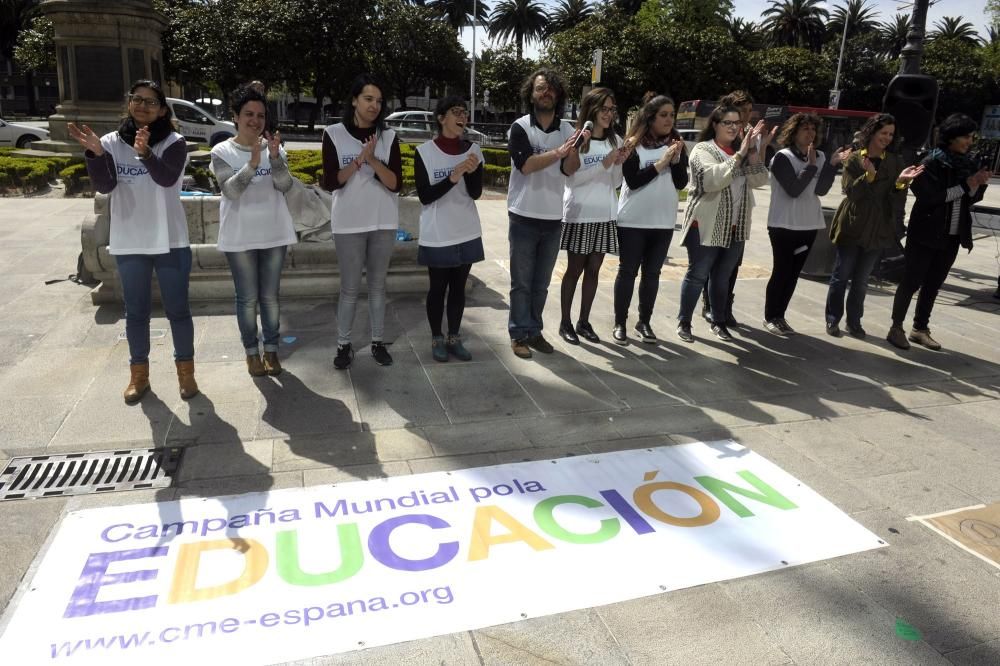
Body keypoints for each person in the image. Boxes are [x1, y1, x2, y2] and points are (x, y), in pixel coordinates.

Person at [68, 80, 198, 404]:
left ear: (163, 109)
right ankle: (138, 376)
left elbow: (167, 178)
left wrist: (147, 154)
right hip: (130, 241)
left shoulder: (175, 142)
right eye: (137, 99)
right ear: (129, 103)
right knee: (136, 312)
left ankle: (186, 374)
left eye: (150, 102)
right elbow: (106, 184)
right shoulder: (111, 142)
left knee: (178, 310)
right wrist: (96, 154)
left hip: (169, 239)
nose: (142, 106)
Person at [210, 86, 297, 376]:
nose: (255, 120)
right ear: (235, 116)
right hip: (240, 236)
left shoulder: (276, 148)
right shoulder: (221, 151)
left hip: (274, 233)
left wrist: (273, 158)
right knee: (247, 298)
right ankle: (251, 353)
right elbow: (231, 191)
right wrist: (252, 164)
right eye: (248, 114)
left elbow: (285, 186)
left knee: (270, 296)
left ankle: (271, 350)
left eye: (260, 115)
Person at [887, 113, 990, 350]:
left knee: (933, 284)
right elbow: (930, 198)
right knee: (911, 281)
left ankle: (920, 328)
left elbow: (969, 198)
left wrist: (978, 184)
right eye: (965, 136)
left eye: (971, 136)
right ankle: (896, 327)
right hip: (925, 233)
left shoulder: (968, 163)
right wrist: (968, 185)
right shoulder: (930, 162)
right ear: (951, 137)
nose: (969, 141)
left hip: (952, 235)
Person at [321, 74, 402, 370]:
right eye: (368, 99)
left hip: (382, 221)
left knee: (378, 286)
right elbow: (332, 182)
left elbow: (395, 184)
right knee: (350, 288)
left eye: (379, 101)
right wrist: (358, 161)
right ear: (354, 100)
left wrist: (373, 160)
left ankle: (378, 342)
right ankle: (344, 345)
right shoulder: (333, 133)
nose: (374, 106)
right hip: (348, 223)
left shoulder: (389, 137)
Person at [676, 105, 771, 342]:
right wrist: (738, 155)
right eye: (727, 122)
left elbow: (760, 180)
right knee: (698, 275)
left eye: (736, 123)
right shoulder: (702, 149)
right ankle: (684, 322)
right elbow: (711, 181)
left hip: (735, 227)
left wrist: (753, 153)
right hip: (706, 225)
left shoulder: (742, 151)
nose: (732, 127)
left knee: (722, 277)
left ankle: (718, 321)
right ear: (715, 125)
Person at [825, 113, 923, 338]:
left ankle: (854, 321)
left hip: (878, 229)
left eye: (891, 134)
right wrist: (868, 176)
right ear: (872, 133)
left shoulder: (895, 161)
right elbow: (851, 193)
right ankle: (833, 319)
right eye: (883, 133)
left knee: (861, 281)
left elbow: (895, 199)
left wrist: (901, 183)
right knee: (841, 276)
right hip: (853, 224)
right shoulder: (854, 159)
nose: (887, 138)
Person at [506, 68, 580, 359]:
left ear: (558, 95)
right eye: (539, 89)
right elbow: (526, 165)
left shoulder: (567, 130)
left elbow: (570, 170)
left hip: (553, 217)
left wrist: (575, 149)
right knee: (521, 282)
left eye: (550, 89)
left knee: (541, 283)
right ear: (531, 94)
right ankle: (517, 333)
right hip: (523, 215)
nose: (545, 93)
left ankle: (534, 331)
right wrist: (559, 152)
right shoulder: (521, 127)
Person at [764, 113, 849, 335]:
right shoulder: (783, 157)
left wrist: (830, 166)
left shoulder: (820, 156)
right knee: (781, 271)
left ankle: (780, 315)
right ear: (794, 132)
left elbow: (820, 190)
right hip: (783, 224)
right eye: (805, 129)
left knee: (793, 274)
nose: (810, 133)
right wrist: (811, 166)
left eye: (813, 129)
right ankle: (770, 316)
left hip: (808, 225)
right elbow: (793, 190)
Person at [613, 93, 688, 344]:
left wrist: (676, 161)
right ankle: (620, 323)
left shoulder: (677, 143)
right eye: (663, 115)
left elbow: (681, 183)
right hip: (633, 221)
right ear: (651, 117)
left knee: (652, 275)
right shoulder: (633, 143)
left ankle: (644, 322)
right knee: (627, 273)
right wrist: (660, 163)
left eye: (671, 115)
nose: (669, 120)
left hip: (663, 222)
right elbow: (632, 182)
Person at [414, 96, 485, 362]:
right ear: (441, 118)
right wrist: (452, 177)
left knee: (458, 288)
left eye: (465, 112)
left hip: (466, 229)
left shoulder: (474, 150)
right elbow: (425, 196)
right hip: (438, 232)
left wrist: (471, 172)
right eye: (456, 111)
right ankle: (436, 337)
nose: (462, 116)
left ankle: (454, 337)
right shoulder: (424, 152)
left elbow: (476, 193)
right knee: (438, 288)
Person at [557, 87, 629, 345]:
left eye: (612, 109)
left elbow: (616, 183)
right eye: (604, 108)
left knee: (594, 270)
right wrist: (604, 163)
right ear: (592, 108)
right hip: (579, 213)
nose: (608, 114)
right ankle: (565, 322)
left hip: (605, 213)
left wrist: (618, 163)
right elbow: (572, 180)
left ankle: (583, 321)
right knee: (574, 269)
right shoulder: (578, 140)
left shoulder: (616, 141)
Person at [702, 90, 755, 326]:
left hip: (740, 210)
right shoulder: (720, 139)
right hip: (717, 208)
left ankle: (725, 307)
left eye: (748, 112)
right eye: (742, 111)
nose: (746, 116)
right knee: (711, 264)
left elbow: (758, 174)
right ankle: (710, 305)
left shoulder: (751, 134)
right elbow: (717, 174)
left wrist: (754, 148)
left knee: (732, 265)